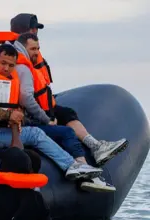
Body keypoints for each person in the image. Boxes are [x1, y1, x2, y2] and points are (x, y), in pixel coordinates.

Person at [0, 44, 105, 184]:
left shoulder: (6, 80)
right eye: (2, 63)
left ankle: (76, 165)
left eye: (11, 65)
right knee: (35, 134)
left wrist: (16, 116)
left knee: (39, 132)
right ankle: (70, 165)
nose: (6, 68)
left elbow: (5, 108)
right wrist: (9, 116)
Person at [14, 33, 128, 167]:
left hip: (37, 109)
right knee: (65, 132)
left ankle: (95, 147)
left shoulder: (22, 62)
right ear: (22, 46)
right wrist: (45, 119)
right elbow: (25, 97)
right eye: (33, 49)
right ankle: (82, 167)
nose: (37, 52)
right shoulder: (22, 67)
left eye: (38, 49)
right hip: (26, 119)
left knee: (67, 113)